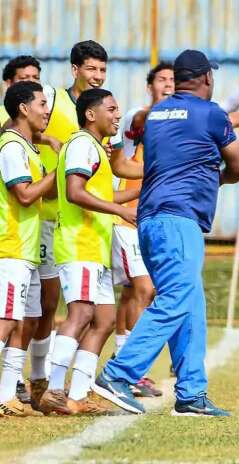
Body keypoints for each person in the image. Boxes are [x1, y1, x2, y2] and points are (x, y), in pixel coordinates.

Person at [94, 49, 239, 416]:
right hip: (178, 219)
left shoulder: (157, 114)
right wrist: (215, 178)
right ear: (207, 79)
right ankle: (119, 372)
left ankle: (192, 394)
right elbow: (238, 167)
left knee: (190, 302)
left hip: (150, 218)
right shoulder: (211, 114)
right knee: (178, 296)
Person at [38, 89, 139, 415]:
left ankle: (79, 395)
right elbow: (75, 192)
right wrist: (118, 210)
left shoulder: (96, 148)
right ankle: (53, 388)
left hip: (96, 247)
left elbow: (104, 195)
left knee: (105, 320)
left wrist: (146, 187)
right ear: (91, 114)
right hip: (78, 245)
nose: (117, 115)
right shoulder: (81, 144)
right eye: (111, 109)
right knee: (80, 314)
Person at [0, 55, 60, 405]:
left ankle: (8, 395)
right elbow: (23, 195)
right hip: (10, 247)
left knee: (25, 318)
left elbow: (45, 191)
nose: (47, 111)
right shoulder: (10, 146)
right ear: (23, 108)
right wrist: (58, 171)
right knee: (6, 320)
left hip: (27, 248)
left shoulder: (27, 148)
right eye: (41, 104)